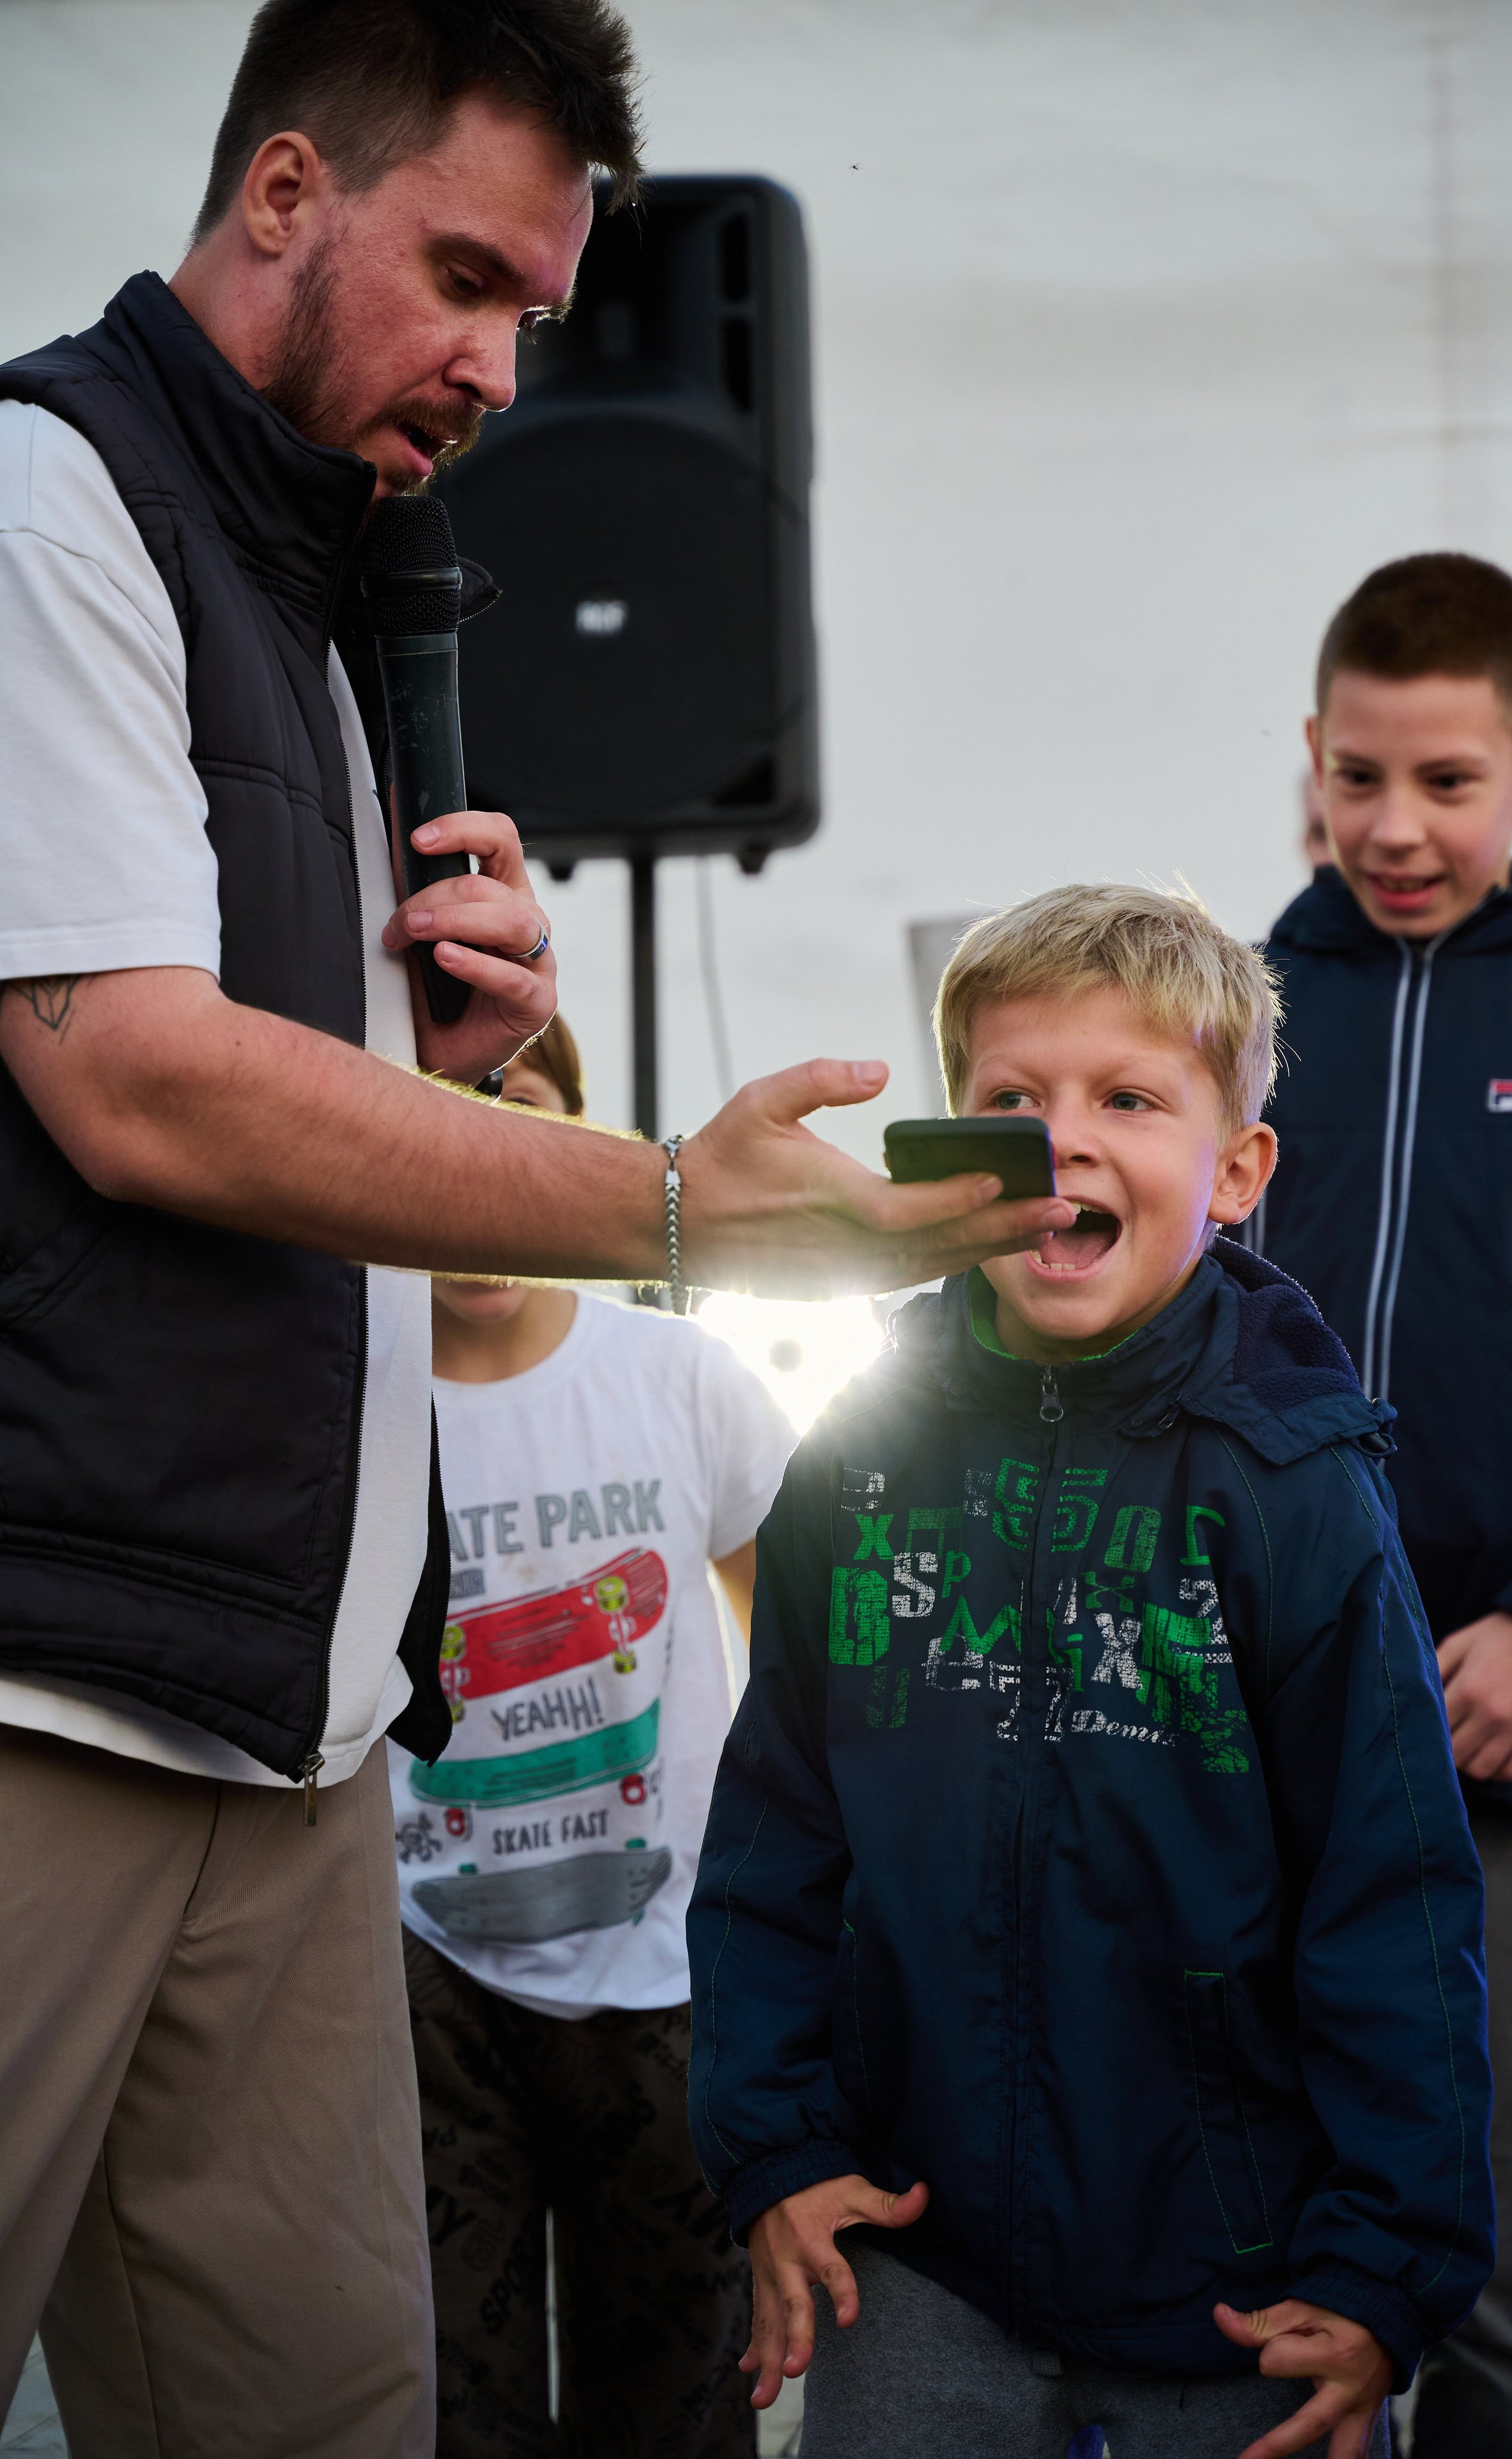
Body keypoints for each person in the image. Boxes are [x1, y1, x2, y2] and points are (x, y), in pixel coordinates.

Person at [0, 0, 1073, 2444]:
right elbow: (129, 1079)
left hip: (300, 1728)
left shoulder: (348, 604)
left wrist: (442, 1085)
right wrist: (678, 1204)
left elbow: (285, 1129)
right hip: (45, 1677)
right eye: (461, 278)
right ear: (282, 193)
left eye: (535, 315)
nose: (498, 367)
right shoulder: (48, 500)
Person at [686, 885, 1493, 2459]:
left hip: (1244, 2275)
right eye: (1011, 1100)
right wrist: (771, 2146)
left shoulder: (1298, 1485)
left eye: (1126, 1098)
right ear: (948, 1150)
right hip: (914, 2254)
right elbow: (771, 1842)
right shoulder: (852, 1462)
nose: (1061, 1139)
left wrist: (1386, 2263)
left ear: (1235, 1168)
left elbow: (1391, 1897)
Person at [1247, 553, 1512, 2459]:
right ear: (1309, 760)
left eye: (1450, 783)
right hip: (1266, 1714)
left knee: (1484, 2260)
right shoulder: (1241, 1005)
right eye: (1360, 778)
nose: (1395, 829)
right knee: (1270, 2247)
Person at [395, 1017, 794, 2458]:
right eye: (439, 1134)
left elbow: (797, 1665)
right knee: (449, 2401)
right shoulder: (349, 1398)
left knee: (681, 2401)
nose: (487, 1182)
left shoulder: (682, 1379)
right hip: (424, 1981)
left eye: (529, 1138)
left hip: (674, 1981)